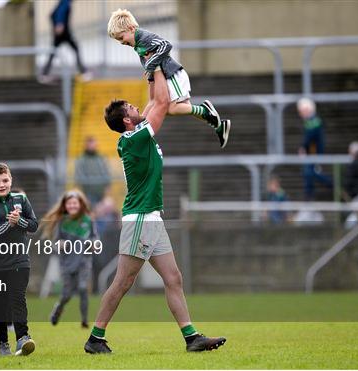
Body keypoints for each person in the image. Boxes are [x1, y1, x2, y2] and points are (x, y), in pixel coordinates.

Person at [84, 65, 226, 353]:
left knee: (173, 278)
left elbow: (152, 102)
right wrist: (159, 66)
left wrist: (151, 72)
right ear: (127, 120)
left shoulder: (137, 133)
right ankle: (95, 338)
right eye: (132, 108)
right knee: (123, 282)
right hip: (140, 220)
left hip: (151, 219)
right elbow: (161, 103)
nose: (139, 107)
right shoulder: (134, 140)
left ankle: (191, 338)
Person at [107, 8, 231, 148]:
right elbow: (150, 64)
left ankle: (205, 110)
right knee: (178, 108)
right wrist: (151, 72)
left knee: (172, 108)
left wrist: (151, 64)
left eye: (121, 38)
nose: (121, 42)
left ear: (130, 28)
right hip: (167, 76)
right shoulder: (138, 44)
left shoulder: (143, 37)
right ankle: (219, 125)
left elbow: (166, 45)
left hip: (172, 74)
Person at [0, 163, 38, 356]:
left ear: (10, 180)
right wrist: (9, 224)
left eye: (5, 180)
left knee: (18, 299)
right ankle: (2, 343)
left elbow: (34, 225)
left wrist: (19, 221)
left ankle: (23, 339)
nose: (1, 184)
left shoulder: (21, 198)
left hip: (20, 261)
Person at [41, 190, 97, 329]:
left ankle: (84, 320)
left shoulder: (88, 220)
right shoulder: (62, 222)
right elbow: (55, 242)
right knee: (67, 294)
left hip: (84, 261)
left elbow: (95, 238)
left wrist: (92, 244)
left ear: (80, 204)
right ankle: (58, 308)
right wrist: (59, 244)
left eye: (74, 203)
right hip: (66, 263)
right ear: (65, 206)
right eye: (69, 203)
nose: (72, 206)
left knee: (83, 288)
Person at [40, 0, 90, 83]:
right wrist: (60, 24)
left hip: (60, 33)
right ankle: (83, 71)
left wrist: (57, 24)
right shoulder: (65, 2)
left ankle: (44, 73)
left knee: (53, 52)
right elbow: (61, 12)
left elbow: (52, 14)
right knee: (75, 48)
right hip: (64, 32)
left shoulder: (62, 2)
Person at [297, 97, 332, 200]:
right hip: (312, 153)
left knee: (309, 173)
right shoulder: (311, 121)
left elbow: (309, 136)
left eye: (302, 111)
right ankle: (309, 200)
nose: (300, 114)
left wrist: (303, 147)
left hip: (314, 153)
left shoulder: (314, 121)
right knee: (309, 175)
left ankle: (333, 184)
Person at [74, 137, 111, 206]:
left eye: (93, 144)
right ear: (86, 145)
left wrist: (107, 194)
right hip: (87, 194)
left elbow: (107, 177)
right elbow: (78, 179)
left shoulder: (101, 158)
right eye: (90, 144)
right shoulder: (81, 159)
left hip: (101, 194)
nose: (92, 146)